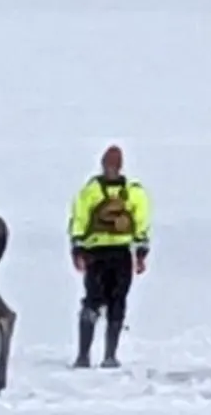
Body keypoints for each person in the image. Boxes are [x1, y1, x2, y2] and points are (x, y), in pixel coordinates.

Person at [67, 144, 152, 368]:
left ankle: (97, 355)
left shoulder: (93, 190)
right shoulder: (131, 191)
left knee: (104, 301)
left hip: (106, 253)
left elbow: (79, 220)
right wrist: (141, 251)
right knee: (105, 301)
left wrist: (77, 246)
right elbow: (141, 223)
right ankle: (96, 355)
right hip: (108, 254)